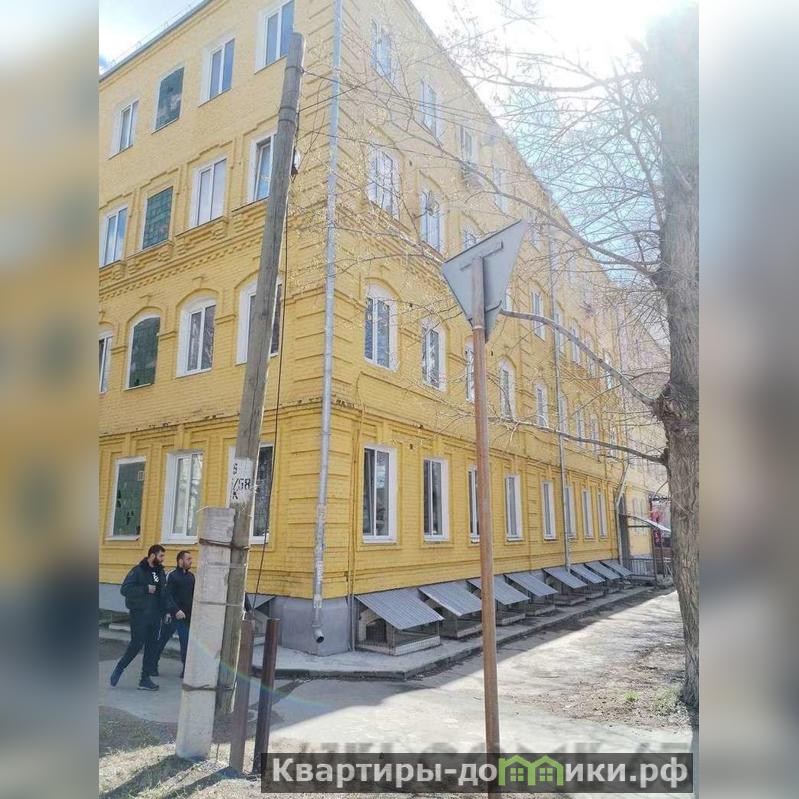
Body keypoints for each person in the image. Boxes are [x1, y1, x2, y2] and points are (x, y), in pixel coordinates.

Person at [110, 544, 174, 691]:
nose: (163, 559)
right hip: (139, 615)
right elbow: (125, 589)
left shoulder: (160, 572)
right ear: (152, 555)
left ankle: (144, 679)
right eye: (161, 556)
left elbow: (164, 594)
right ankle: (120, 667)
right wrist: (145, 589)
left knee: (151, 647)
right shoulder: (138, 571)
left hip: (155, 616)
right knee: (136, 644)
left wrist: (167, 611)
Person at [154, 550, 194, 677]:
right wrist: (175, 610)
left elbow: (193, 596)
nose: (191, 561)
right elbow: (167, 596)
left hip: (185, 617)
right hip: (171, 616)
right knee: (162, 640)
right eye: (188, 559)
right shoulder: (172, 575)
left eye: (191, 559)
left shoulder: (191, 577)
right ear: (180, 561)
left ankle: (186, 671)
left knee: (186, 644)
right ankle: (152, 666)